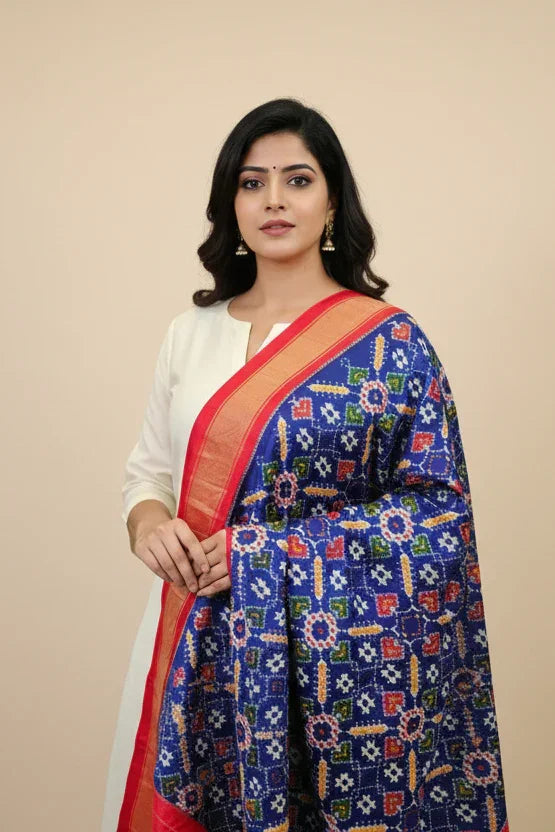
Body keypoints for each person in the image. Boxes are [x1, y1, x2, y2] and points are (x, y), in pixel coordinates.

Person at [103, 98, 510, 832]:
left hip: (336, 671)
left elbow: (437, 516)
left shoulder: (389, 344)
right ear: (231, 204)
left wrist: (266, 553)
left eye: (297, 179)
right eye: (251, 182)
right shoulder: (189, 333)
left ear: (332, 203)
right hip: (193, 639)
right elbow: (149, 474)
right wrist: (148, 525)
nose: (274, 200)